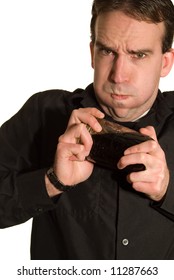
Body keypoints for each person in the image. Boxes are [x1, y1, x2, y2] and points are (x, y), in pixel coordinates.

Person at [0, 0, 174, 260]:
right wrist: (51, 182)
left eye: (139, 55)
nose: (118, 75)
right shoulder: (43, 113)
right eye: (107, 51)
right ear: (92, 53)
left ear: (165, 63)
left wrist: (168, 191)